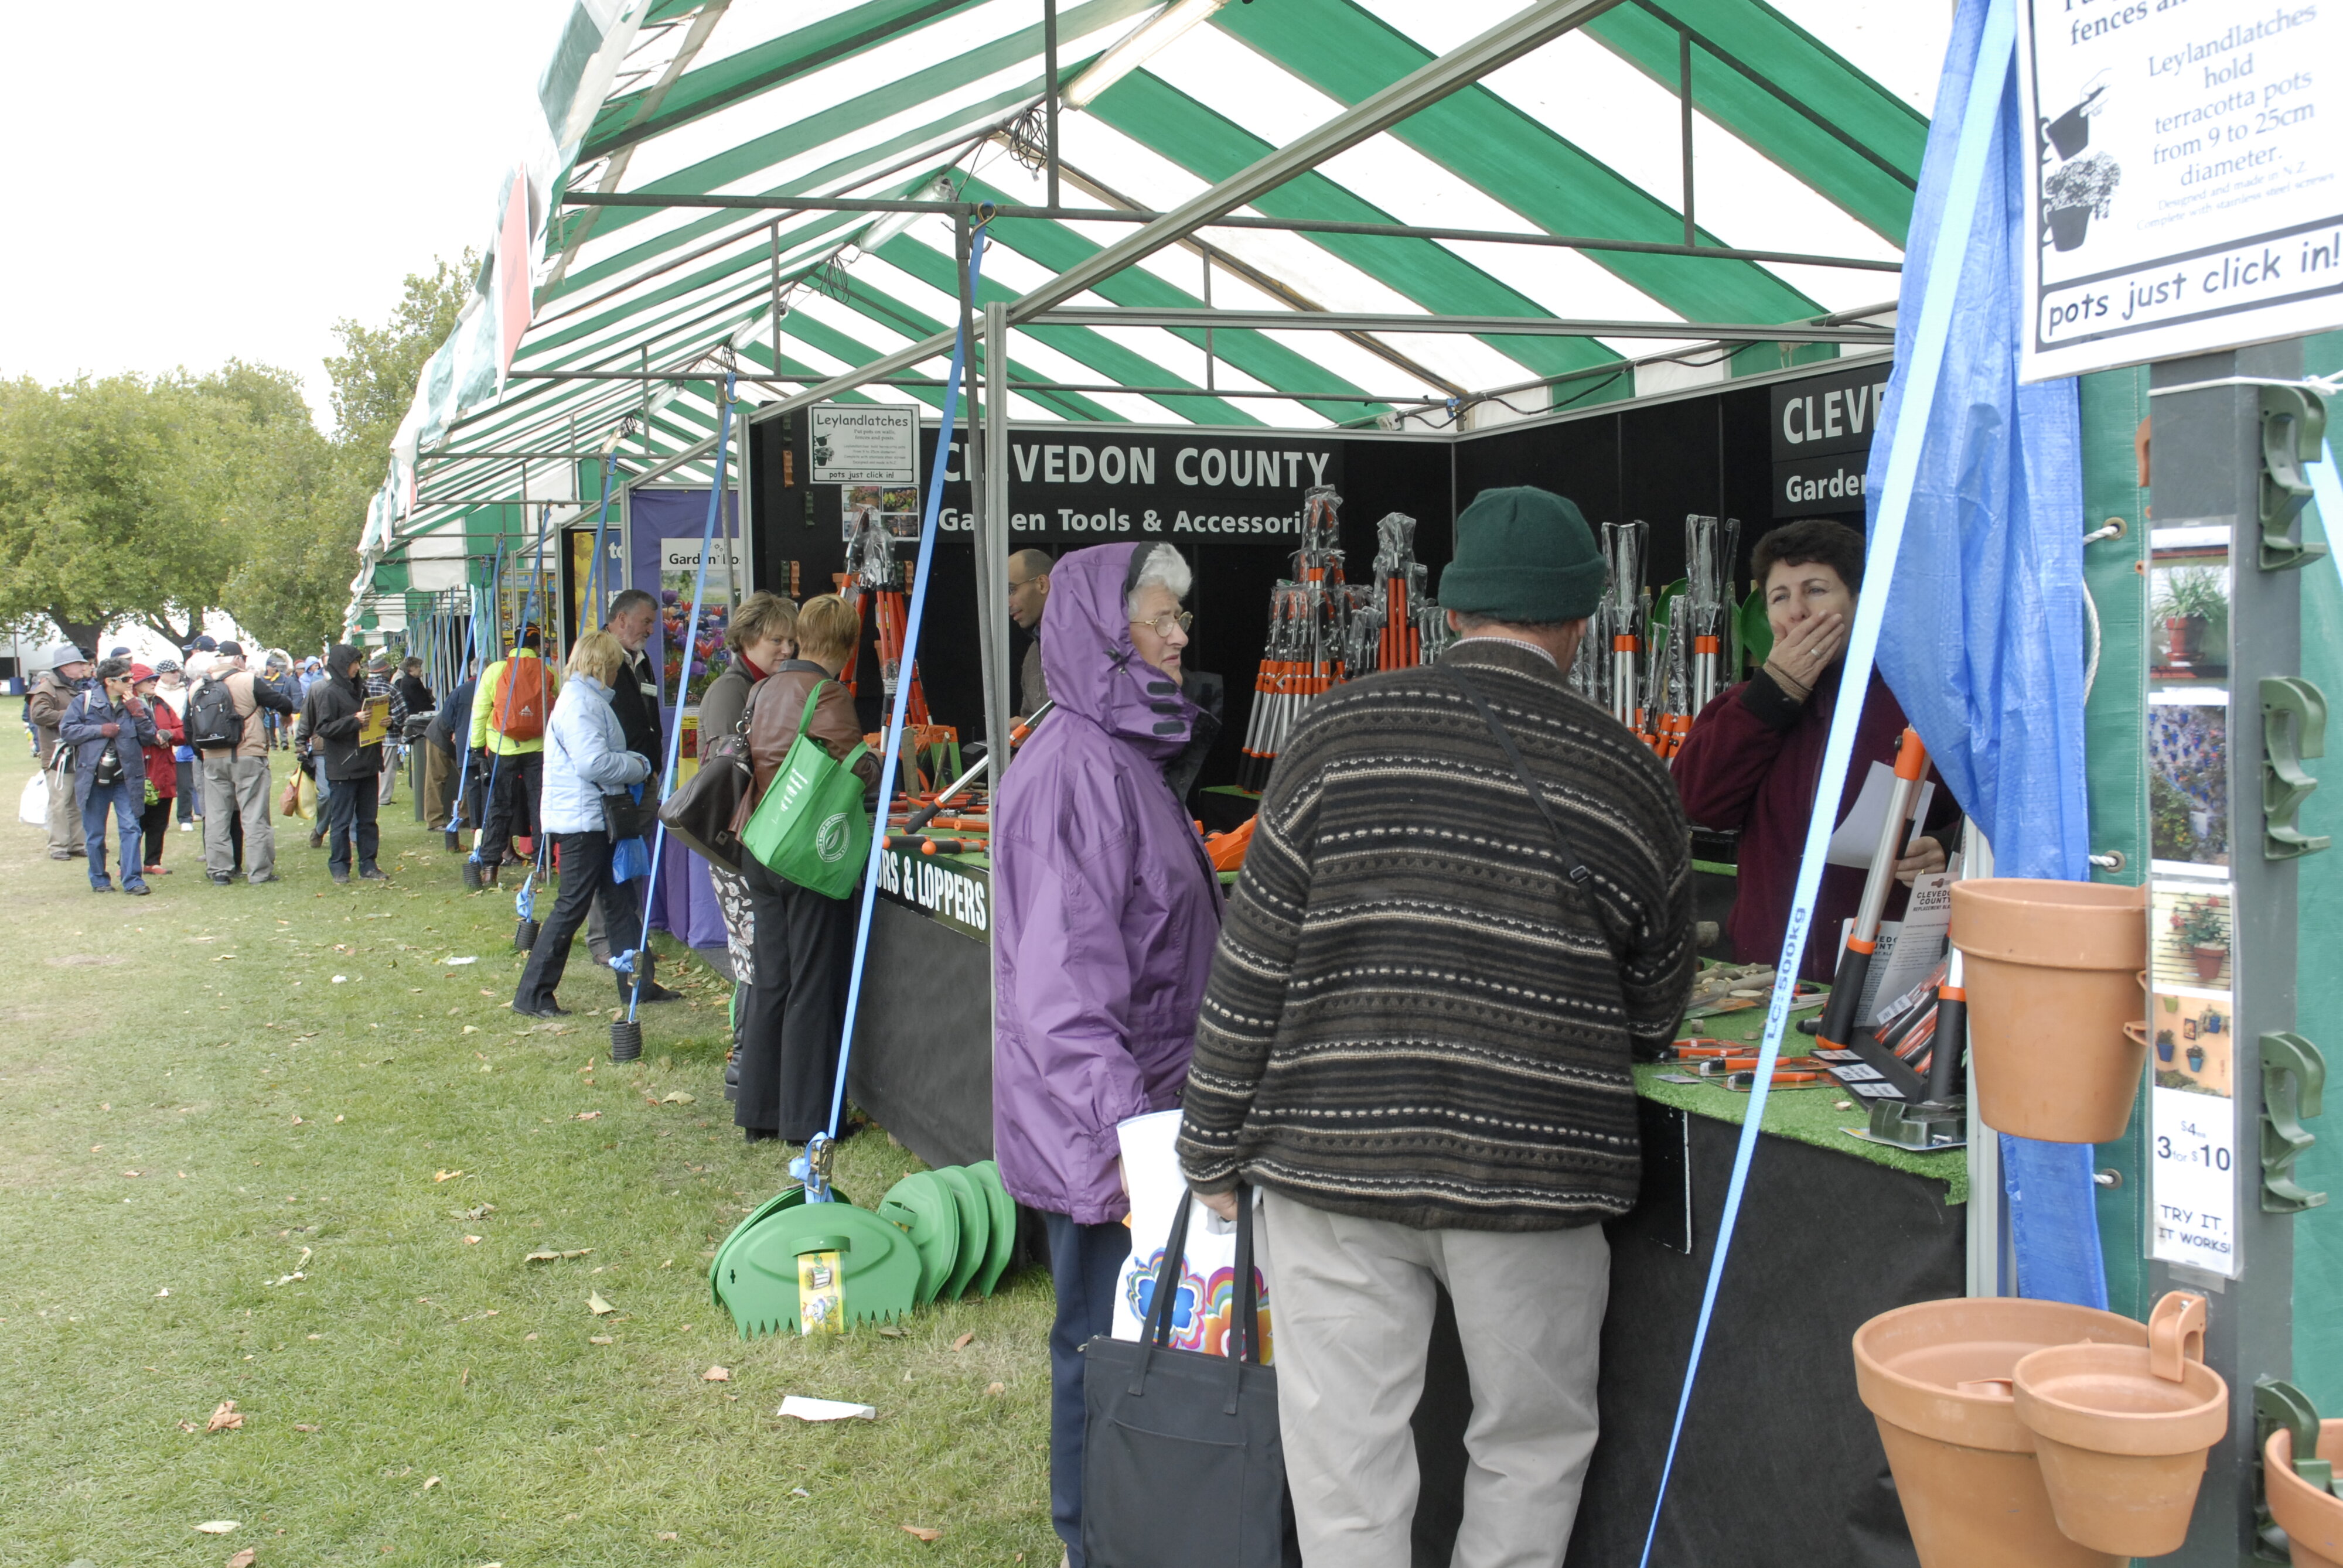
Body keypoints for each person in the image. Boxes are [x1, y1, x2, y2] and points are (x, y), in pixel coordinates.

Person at [1176, 488, 1697, 1567]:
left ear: (1452, 607)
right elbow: (1655, 1009)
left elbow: (1251, 962)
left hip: (1331, 1157)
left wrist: (1208, 1142)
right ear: (1580, 617)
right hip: (1534, 1171)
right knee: (1529, 1445)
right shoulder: (1629, 774)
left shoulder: (1331, 736)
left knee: (1343, 1456)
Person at [991, 542, 1222, 1568]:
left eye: (1179, 617)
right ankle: (1097, 1545)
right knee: (1098, 1354)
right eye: (1159, 618)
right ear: (1100, 631)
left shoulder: (1118, 755)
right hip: (1111, 1140)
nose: (1179, 634)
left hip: (1135, 1125)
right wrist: (1135, 1152)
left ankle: (1130, 1535)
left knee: (1125, 1352)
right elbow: (1062, 999)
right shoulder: (1077, 769)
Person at [1670, 517, 1960, 982]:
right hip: (1768, 966)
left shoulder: (1922, 700)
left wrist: (1946, 847)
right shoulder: (1740, 706)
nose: (1797, 611)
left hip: (1888, 970)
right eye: (1779, 597)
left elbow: (1989, 814)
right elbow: (1696, 801)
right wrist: (1772, 696)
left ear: (1861, 603)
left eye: (1816, 590)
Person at [732, 594, 880, 1147]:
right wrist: (880, 764)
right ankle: (809, 1119)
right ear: (844, 645)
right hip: (806, 853)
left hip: (762, 842)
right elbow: (857, 769)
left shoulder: (763, 686)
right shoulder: (828, 692)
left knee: (772, 980)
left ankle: (760, 1111)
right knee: (813, 985)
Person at [511, 630, 657, 1018]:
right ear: (605, 665)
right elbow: (592, 763)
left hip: (590, 816)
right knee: (572, 905)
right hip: (584, 821)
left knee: (620, 900)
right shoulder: (580, 703)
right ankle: (532, 993)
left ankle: (638, 985)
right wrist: (638, 765)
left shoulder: (584, 699)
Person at [697, 592, 798, 1096]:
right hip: (734, 845)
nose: (785, 649)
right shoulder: (730, 691)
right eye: (775, 639)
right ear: (747, 638)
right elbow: (728, 772)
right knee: (751, 955)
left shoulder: (764, 686)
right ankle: (744, 1064)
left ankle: (755, 1061)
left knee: (758, 953)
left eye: (789, 640)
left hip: (753, 840)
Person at [582, 589, 678, 1001]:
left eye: (653, 623)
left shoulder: (641, 660)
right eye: (645, 623)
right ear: (620, 619)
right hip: (619, 777)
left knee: (631, 856)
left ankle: (624, 939)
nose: (650, 630)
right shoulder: (601, 660)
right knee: (608, 861)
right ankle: (603, 941)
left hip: (643, 771)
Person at [189, 641, 295, 887]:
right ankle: (259, 872)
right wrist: (286, 717)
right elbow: (284, 703)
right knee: (254, 815)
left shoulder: (196, 686)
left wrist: (203, 753)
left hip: (213, 756)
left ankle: (219, 870)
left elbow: (190, 726)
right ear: (237, 659)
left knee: (216, 816)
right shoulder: (248, 681)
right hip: (248, 752)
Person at [59, 657, 161, 895]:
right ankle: (99, 879)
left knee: (131, 829)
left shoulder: (135, 703)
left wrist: (138, 712)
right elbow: (68, 731)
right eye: (126, 679)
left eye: (131, 677)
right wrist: (99, 730)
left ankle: (133, 880)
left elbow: (150, 737)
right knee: (95, 833)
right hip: (94, 777)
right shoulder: (84, 701)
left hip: (127, 777)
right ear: (109, 681)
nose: (131, 682)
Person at [467, 627, 557, 888]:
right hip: (538, 748)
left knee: (499, 806)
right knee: (540, 804)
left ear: (511, 647)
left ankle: (490, 866)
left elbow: (481, 709)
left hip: (501, 747)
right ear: (538, 647)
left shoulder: (495, 670)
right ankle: (542, 864)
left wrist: (476, 746)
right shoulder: (547, 671)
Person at [302, 644, 388, 884]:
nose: (357, 668)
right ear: (343, 665)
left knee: (368, 820)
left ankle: (369, 865)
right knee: (341, 821)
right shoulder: (330, 693)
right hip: (343, 767)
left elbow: (370, 719)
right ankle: (340, 867)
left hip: (368, 763)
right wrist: (353, 721)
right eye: (354, 663)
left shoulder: (363, 690)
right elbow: (324, 729)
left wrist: (385, 721)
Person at [27, 644, 93, 860]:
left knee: (76, 801)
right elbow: (39, 715)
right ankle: (58, 846)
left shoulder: (76, 686)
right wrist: (73, 715)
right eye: (78, 664)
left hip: (77, 752)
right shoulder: (46, 689)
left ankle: (77, 843)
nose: (83, 668)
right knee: (59, 801)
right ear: (66, 667)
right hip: (57, 755)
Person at [131, 665, 182, 876]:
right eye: (149, 679)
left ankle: (153, 861)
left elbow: (181, 731)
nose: (154, 682)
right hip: (139, 769)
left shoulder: (161, 704)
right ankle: (126, 862)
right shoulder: (127, 706)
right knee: (135, 820)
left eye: (155, 679)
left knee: (160, 820)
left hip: (163, 769)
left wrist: (169, 734)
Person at [1007, 547, 1053, 722]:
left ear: (1042, 584)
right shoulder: (1033, 655)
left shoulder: (1088, 645)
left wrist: (1036, 732)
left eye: (1012, 590)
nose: (1008, 603)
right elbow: (1030, 719)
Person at [154, 660, 199, 832]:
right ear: (162, 674)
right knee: (162, 785)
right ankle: (161, 820)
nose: (175, 674)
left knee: (185, 784)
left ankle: (185, 817)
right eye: (171, 672)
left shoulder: (186, 691)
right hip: (162, 745)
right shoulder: (156, 692)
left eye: (176, 671)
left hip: (182, 743)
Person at [393, 657, 434, 725]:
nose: (421, 670)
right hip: (418, 717)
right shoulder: (413, 683)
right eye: (418, 667)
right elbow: (421, 704)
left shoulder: (408, 680)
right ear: (411, 668)